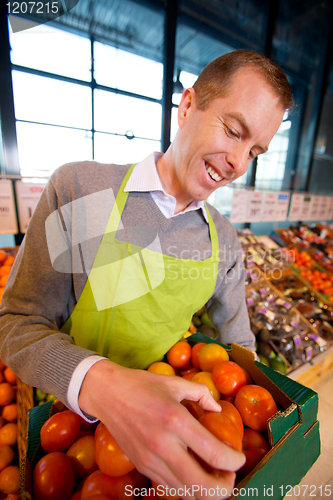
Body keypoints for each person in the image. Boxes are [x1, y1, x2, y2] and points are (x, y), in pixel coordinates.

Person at [0, 50, 293, 499]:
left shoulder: (224, 242)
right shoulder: (82, 191)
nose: (238, 161)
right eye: (233, 131)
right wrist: (102, 385)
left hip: (168, 433)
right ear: (188, 106)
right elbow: (17, 325)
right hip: (74, 418)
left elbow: (240, 350)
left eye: (254, 150)